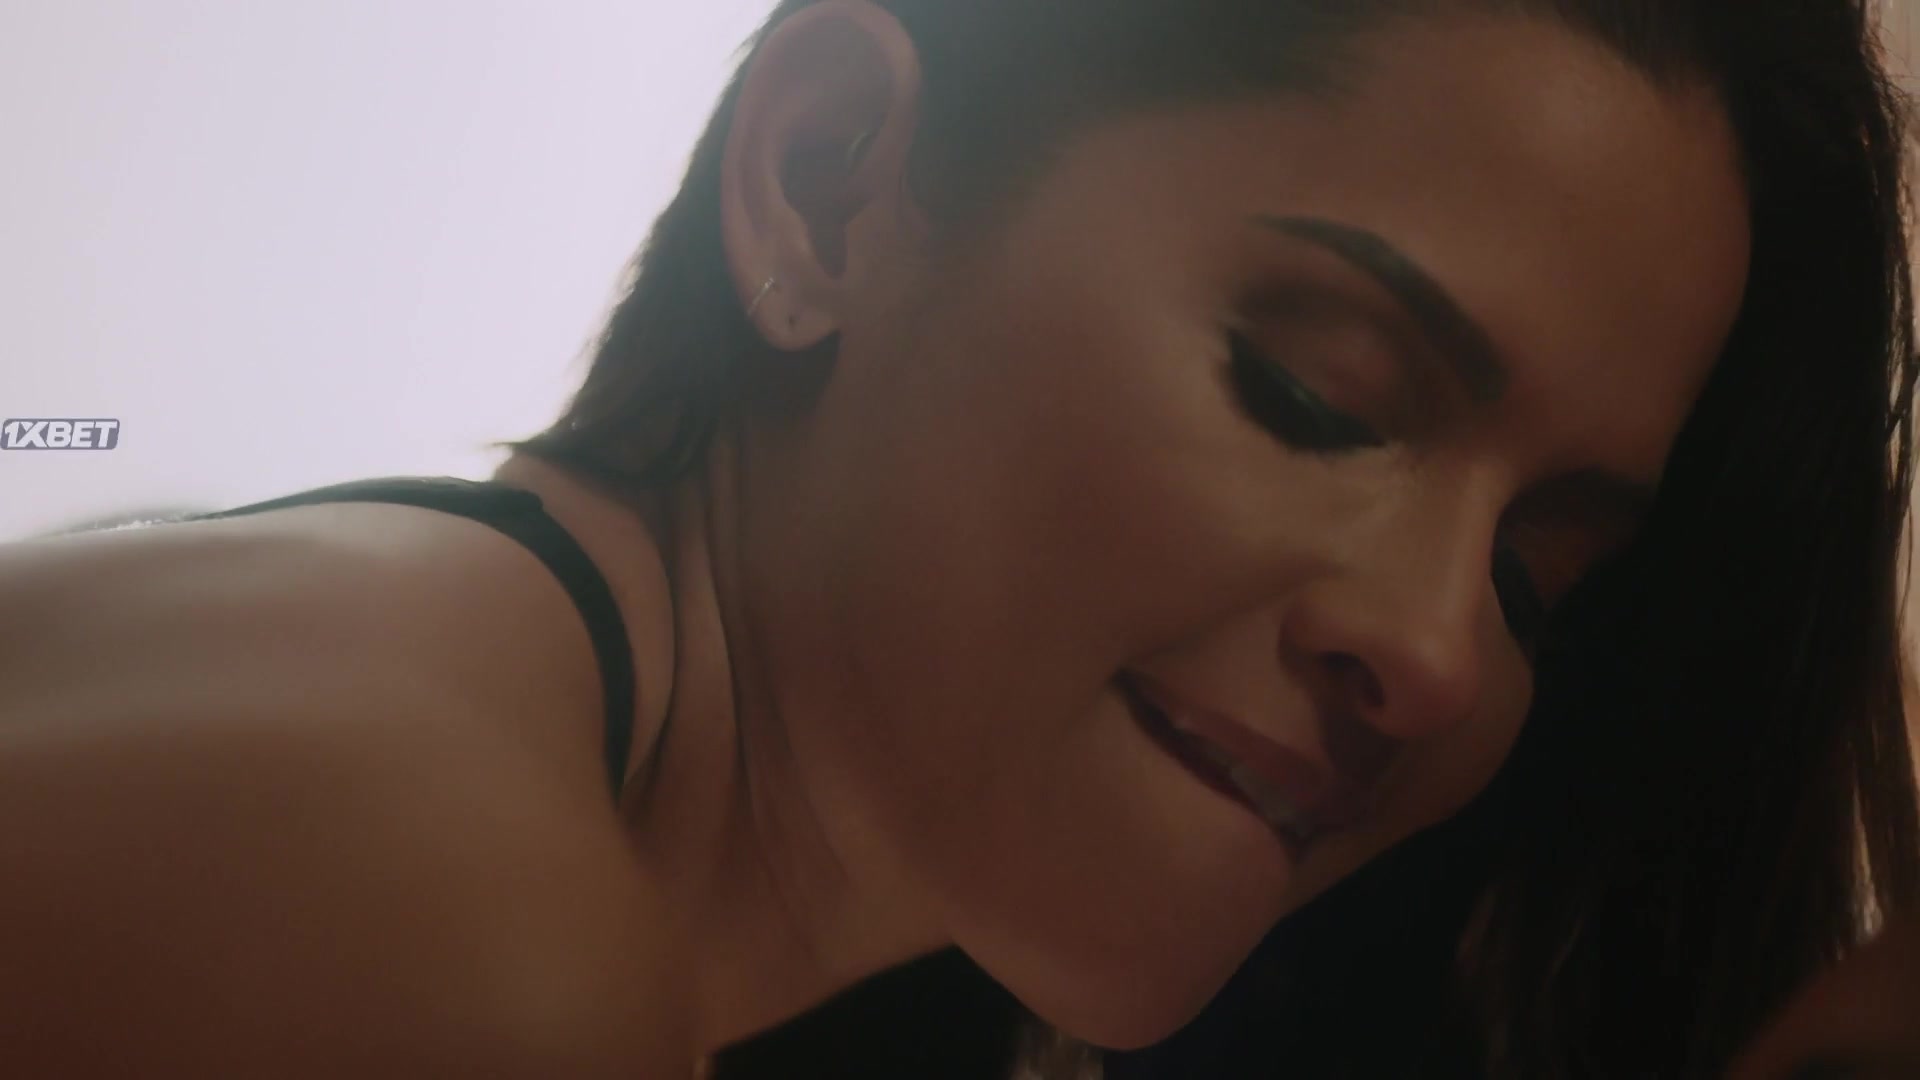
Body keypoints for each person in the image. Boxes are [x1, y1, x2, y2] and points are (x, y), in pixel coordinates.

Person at [1, 0, 1915, 1076]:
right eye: (1317, 391)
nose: (1437, 653)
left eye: (1538, 581)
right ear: (828, 179)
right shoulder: (430, 931)